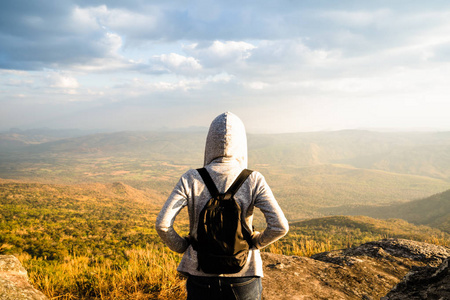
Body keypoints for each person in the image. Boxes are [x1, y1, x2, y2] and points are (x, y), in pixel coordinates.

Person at [156, 112, 289, 300]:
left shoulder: (191, 178)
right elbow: (280, 226)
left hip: (200, 274)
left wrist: (183, 247)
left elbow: (162, 224)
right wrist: (255, 242)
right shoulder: (253, 179)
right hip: (244, 275)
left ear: (209, 143)